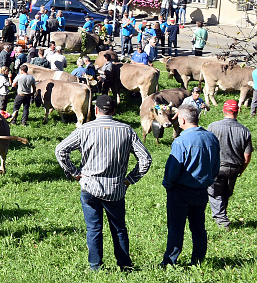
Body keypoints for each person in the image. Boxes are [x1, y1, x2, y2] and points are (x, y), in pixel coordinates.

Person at [54, 95, 152, 272]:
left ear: (96, 110)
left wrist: (75, 173)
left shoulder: (85, 129)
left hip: (89, 186)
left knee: (94, 229)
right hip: (116, 188)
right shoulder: (126, 130)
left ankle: (95, 266)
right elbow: (145, 159)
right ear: (114, 111)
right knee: (119, 229)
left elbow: (60, 150)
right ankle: (125, 265)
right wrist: (130, 179)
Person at [160, 103, 221, 267]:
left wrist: (168, 184)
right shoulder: (211, 138)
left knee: (176, 227)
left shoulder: (181, 141)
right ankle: (198, 260)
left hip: (180, 191)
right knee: (198, 227)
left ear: (182, 119)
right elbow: (216, 166)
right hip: (202, 190)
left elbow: (173, 170)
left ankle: (170, 261)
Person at [206, 99, 252, 229]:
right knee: (226, 192)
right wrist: (241, 169)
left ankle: (222, 222)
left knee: (214, 193)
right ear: (238, 112)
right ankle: (222, 214)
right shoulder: (245, 131)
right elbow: (247, 155)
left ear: (223, 111)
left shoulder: (213, 127)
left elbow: (207, 147)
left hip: (217, 167)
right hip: (234, 168)